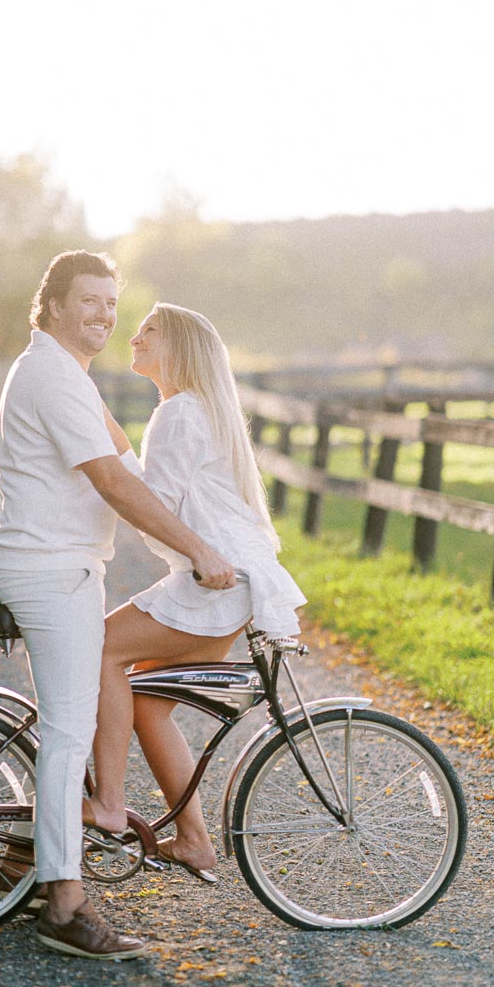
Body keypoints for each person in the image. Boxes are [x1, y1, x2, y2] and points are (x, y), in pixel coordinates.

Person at [0, 254, 236, 960]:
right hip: (46, 568)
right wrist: (200, 551)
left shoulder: (67, 374)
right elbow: (117, 488)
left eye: (111, 304)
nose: (103, 314)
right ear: (53, 304)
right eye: (88, 300)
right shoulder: (53, 376)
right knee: (70, 731)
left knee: (86, 713)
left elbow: (125, 462)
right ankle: (64, 905)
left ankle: (18, 859)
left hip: (61, 565)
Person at [88, 302, 307, 881]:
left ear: (179, 348)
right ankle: (193, 842)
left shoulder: (179, 412)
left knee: (101, 648)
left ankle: (107, 805)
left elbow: (148, 505)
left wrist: (103, 464)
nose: (132, 337)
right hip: (233, 587)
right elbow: (156, 492)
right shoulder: (190, 410)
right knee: (147, 704)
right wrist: (110, 433)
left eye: (148, 331)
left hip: (216, 584)